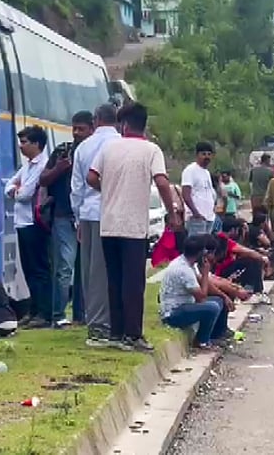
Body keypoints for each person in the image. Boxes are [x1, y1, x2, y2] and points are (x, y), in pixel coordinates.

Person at [87, 103, 180, 352]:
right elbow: (161, 181)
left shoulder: (108, 147)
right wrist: (172, 212)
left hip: (108, 224)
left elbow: (91, 177)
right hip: (133, 227)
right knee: (134, 282)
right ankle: (133, 334)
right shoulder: (151, 150)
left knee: (114, 280)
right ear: (143, 124)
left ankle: (116, 333)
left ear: (124, 125)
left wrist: (107, 191)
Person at [72, 104, 122, 347]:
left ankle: (96, 323)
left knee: (92, 273)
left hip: (90, 213)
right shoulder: (122, 144)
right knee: (113, 270)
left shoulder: (84, 147)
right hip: (117, 213)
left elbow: (77, 188)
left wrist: (77, 218)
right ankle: (111, 321)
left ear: (96, 120)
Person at [39, 111, 94, 327]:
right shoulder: (63, 151)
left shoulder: (96, 152)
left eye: (81, 129)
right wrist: (59, 169)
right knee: (64, 268)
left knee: (85, 268)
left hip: (87, 216)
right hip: (64, 215)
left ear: (92, 128)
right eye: (75, 129)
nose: (77, 133)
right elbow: (43, 179)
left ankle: (81, 314)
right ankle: (58, 315)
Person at [4, 125, 51, 328]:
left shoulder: (41, 166)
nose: (21, 146)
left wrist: (16, 191)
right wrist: (16, 190)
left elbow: (25, 194)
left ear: (36, 144)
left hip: (34, 222)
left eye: (24, 142)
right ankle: (33, 310)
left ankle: (43, 312)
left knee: (38, 268)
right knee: (28, 269)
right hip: (22, 222)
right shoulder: (27, 166)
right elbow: (8, 186)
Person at [159, 235, 228, 351]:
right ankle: (202, 341)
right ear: (199, 253)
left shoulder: (186, 263)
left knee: (218, 301)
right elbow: (201, 297)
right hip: (173, 313)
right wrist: (205, 273)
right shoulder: (184, 270)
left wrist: (224, 294)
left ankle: (213, 336)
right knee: (212, 307)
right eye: (205, 251)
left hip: (185, 304)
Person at [181, 142, 217, 237]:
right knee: (197, 248)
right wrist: (196, 213)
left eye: (209, 154)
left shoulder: (206, 173)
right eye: (203, 154)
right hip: (196, 219)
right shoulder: (190, 170)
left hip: (209, 218)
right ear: (197, 155)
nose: (207, 157)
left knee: (205, 249)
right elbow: (186, 194)